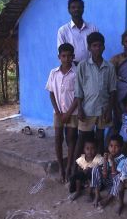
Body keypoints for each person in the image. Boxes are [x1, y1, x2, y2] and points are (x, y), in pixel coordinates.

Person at [74, 32, 117, 159]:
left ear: (104, 47)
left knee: (99, 138)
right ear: (89, 48)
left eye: (99, 45)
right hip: (87, 110)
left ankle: (97, 168)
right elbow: (78, 90)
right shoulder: (83, 65)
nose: (97, 48)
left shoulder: (109, 67)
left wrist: (110, 110)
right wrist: (80, 109)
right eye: (94, 45)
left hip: (103, 110)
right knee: (82, 138)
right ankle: (75, 169)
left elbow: (113, 91)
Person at [45, 43, 79, 183]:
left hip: (73, 112)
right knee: (58, 138)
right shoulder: (53, 73)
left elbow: (78, 96)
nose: (66, 59)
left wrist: (68, 113)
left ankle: (70, 166)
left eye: (69, 56)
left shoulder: (77, 73)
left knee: (71, 139)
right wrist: (59, 113)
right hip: (58, 113)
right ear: (59, 57)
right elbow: (51, 93)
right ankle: (61, 167)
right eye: (63, 56)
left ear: (73, 57)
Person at [57, 0, 98, 64]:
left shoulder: (93, 28)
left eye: (79, 7)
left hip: (91, 66)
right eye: (73, 7)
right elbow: (61, 52)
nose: (76, 9)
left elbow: (97, 48)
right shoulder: (63, 31)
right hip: (72, 68)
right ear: (69, 10)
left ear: (83, 9)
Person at [90, 134, 126, 208]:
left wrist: (112, 162)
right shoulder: (106, 155)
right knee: (95, 168)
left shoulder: (123, 159)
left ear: (121, 148)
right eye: (111, 146)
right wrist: (105, 161)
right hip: (105, 180)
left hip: (114, 183)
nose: (113, 148)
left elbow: (114, 175)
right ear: (108, 146)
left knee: (119, 176)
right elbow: (104, 174)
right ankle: (97, 195)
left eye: (116, 146)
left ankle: (108, 198)